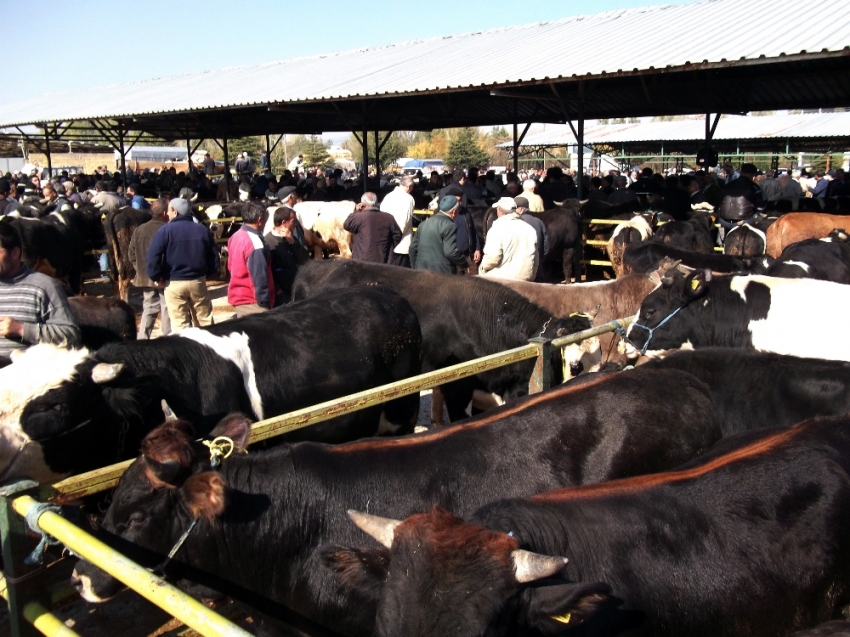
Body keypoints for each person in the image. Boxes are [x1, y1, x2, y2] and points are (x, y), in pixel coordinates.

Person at [0, 220, 80, 365]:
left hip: (26, 378)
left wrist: (21, 329)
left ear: (15, 253)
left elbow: (70, 335)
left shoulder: (44, 286)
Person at [145, 198, 219, 331]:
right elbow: (214, 257)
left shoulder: (165, 230)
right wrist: (205, 274)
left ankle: (186, 351)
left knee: (180, 324)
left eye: (168, 211)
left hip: (174, 283)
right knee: (205, 320)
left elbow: (153, 256)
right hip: (197, 281)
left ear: (175, 212)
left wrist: (156, 277)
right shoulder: (202, 229)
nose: (167, 214)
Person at [128, 200, 170, 339]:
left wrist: (141, 269)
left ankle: (143, 339)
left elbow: (131, 254)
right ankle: (167, 339)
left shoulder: (139, 229)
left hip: (146, 277)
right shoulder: (167, 229)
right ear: (165, 213)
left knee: (149, 307)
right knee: (166, 307)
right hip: (164, 276)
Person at [227, 203, 274, 316]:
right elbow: (259, 275)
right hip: (253, 302)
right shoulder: (255, 243)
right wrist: (264, 302)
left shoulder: (236, 235)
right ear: (260, 220)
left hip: (240, 298)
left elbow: (230, 265)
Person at [479, 196, 538, 281]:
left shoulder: (497, 228)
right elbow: (535, 260)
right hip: (527, 278)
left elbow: (493, 258)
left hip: (505, 279)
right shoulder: (529, 228)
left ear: (500, 211)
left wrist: (483, 267)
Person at [409, 195, 468, 274]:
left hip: (421, 270)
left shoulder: (423, 223)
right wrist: (464, 264)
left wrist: (415, 267)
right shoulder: (450, 225)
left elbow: (413, 248)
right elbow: (450, 252)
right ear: (454, 212)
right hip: (442, 273)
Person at [343, 192, 402, 264]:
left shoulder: (359, 217)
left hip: (362, 261)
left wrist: (356, 211)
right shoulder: (388, 217)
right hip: (384, 260)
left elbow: (347, 225)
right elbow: (398, 234)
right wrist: (389, 246)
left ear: (363, 204)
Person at [264, 206, 299, 304]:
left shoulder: (291, 238)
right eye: (293, 221)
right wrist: (277, 290)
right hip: (282, 294)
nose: (295, 224)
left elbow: (303, 259)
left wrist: (293, 243)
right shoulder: (268, 242)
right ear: (284, 223)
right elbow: (267, 270)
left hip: (295, 287)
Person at [380, 176, 416, 267]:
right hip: (401, 244)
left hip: (387, 241)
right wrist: (396, 237)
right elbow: (405, 220)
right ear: (409, 186)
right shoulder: (408, 198)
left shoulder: (388, 196)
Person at [514, 196, 548, 282]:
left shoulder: (516, 222)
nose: (512, 211)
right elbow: (546, 247)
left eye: (514, 208)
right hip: (538, 270)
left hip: (519, 271)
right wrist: (539, 259)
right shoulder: (539, 222)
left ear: (521, 209)